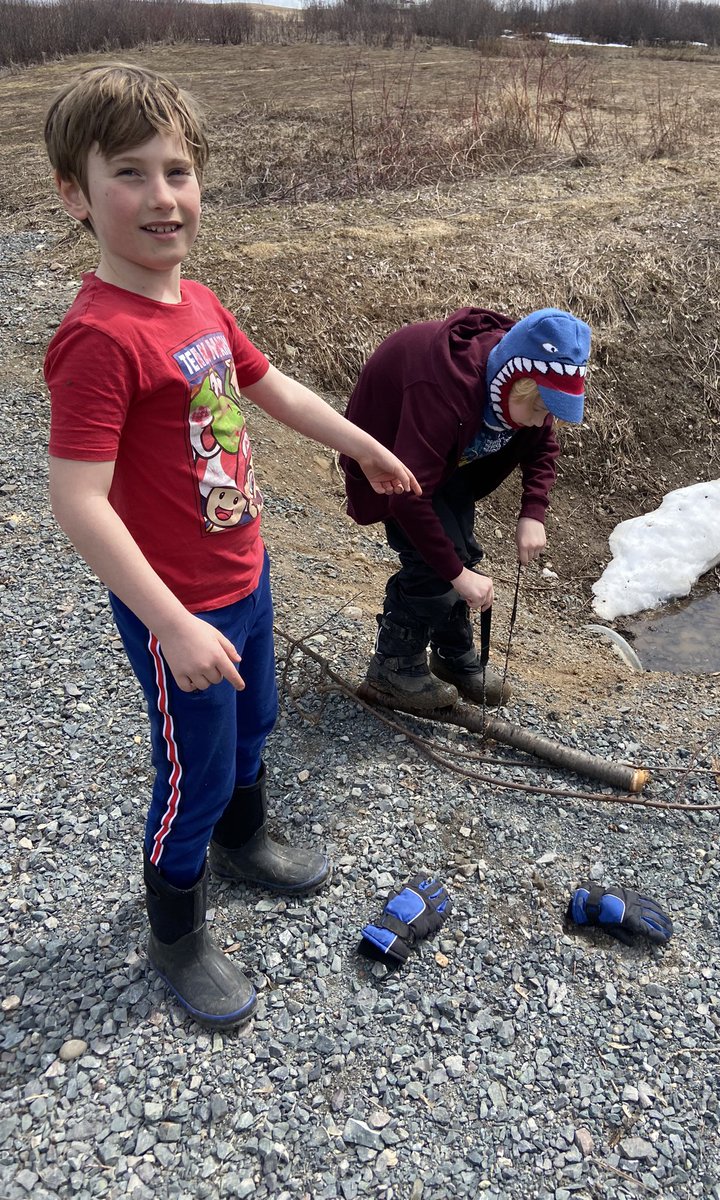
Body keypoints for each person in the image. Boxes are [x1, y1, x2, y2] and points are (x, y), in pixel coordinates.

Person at [42, 63, 421, 1030]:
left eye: (177, 171)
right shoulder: (99, 338)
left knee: (258, 727)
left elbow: (271, 385)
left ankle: (245, 841)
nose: (162, 197)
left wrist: (364, 444)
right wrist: (169, 624)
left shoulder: (196, 303)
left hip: (243, 576)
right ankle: (176, 922)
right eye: (128, 173)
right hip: (179, 607)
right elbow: (78, 500)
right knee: (193, 770)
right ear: (74, 196)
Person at [340, 306, 591, 710]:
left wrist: (533, 510)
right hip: (394, 458)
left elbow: (543, 439)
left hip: (447, 461)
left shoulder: (527, 391)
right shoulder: (442, 389)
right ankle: (393, 667)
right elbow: (406, 497)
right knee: (433, 562)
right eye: (539, 410)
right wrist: (457, 576)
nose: (543, 421)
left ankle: (451, 656)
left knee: (462, 553)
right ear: (511, 382)